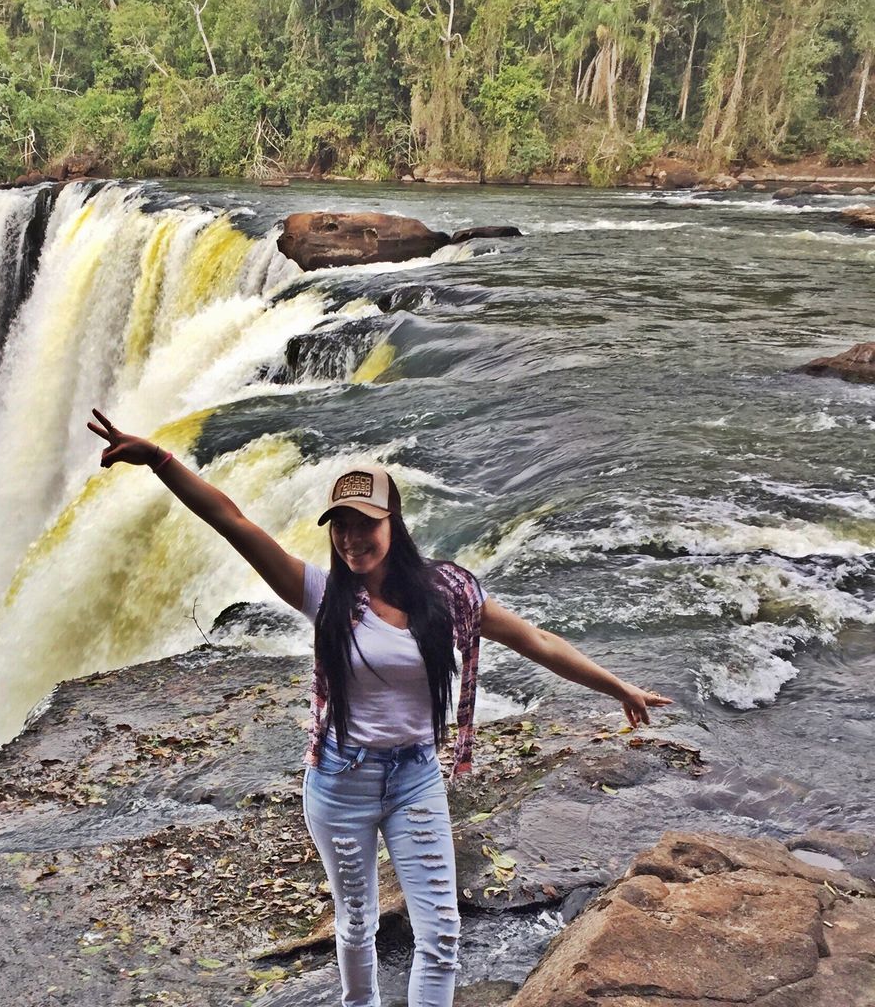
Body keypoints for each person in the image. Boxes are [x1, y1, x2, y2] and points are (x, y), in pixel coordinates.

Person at [86, 408, 671, 1007]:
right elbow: (231, 520)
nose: (350, 538)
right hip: (341, 782)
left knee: (441, 934)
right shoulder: (321, 594)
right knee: (357, 923)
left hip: (415, 777)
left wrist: (618, 688)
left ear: (394, 523)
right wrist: (159, 460)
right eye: (339, 525)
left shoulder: (449, 594)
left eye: (364, 523)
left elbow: (537, 641)